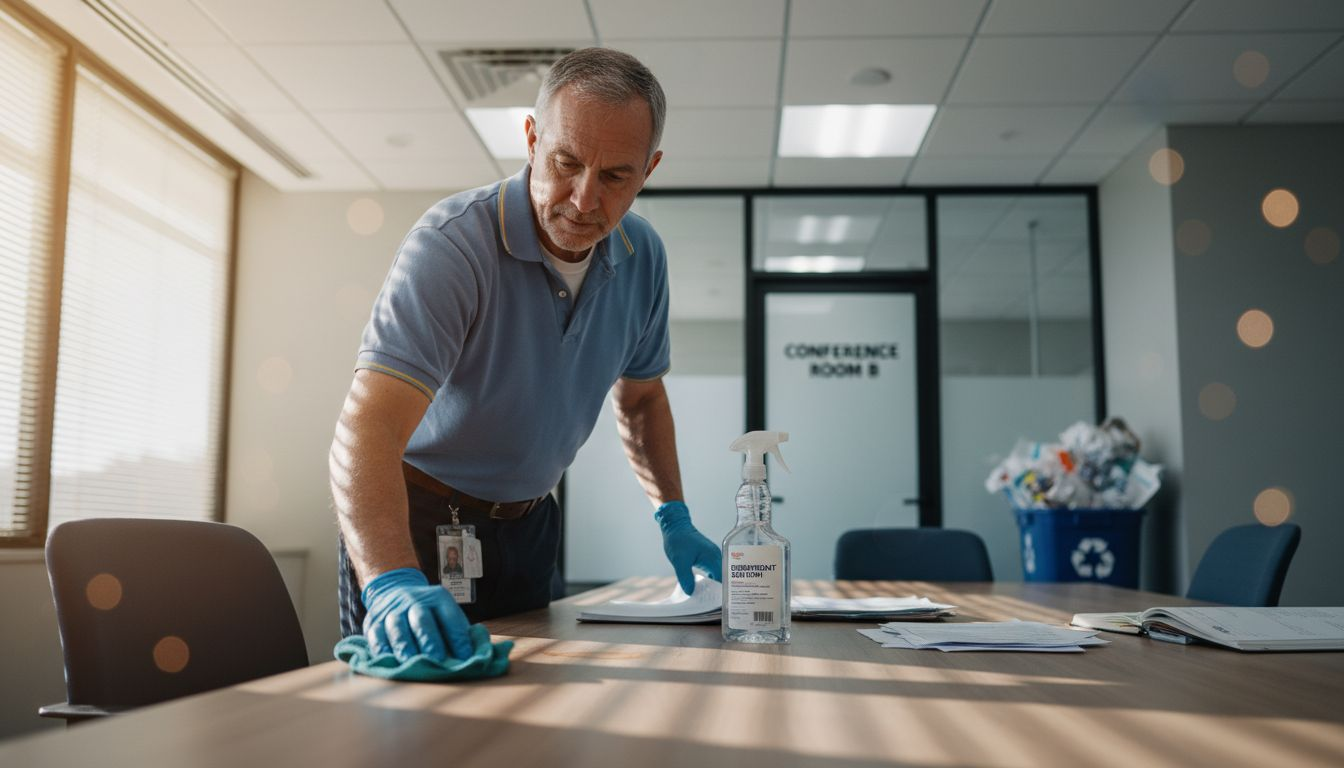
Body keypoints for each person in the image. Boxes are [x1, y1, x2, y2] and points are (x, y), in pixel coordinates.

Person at [329, 48, 721, 663]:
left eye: (616, 176)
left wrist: (672, 512)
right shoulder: (452, 245)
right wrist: (390, 582)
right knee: (405, 733)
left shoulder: (643, 257)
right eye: (566, 163)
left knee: (534, 711)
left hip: (532, 525)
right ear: (533, 138)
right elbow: (367, 427)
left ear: (649, 169)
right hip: (416, 522)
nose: (585, 200)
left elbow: (641, 397)